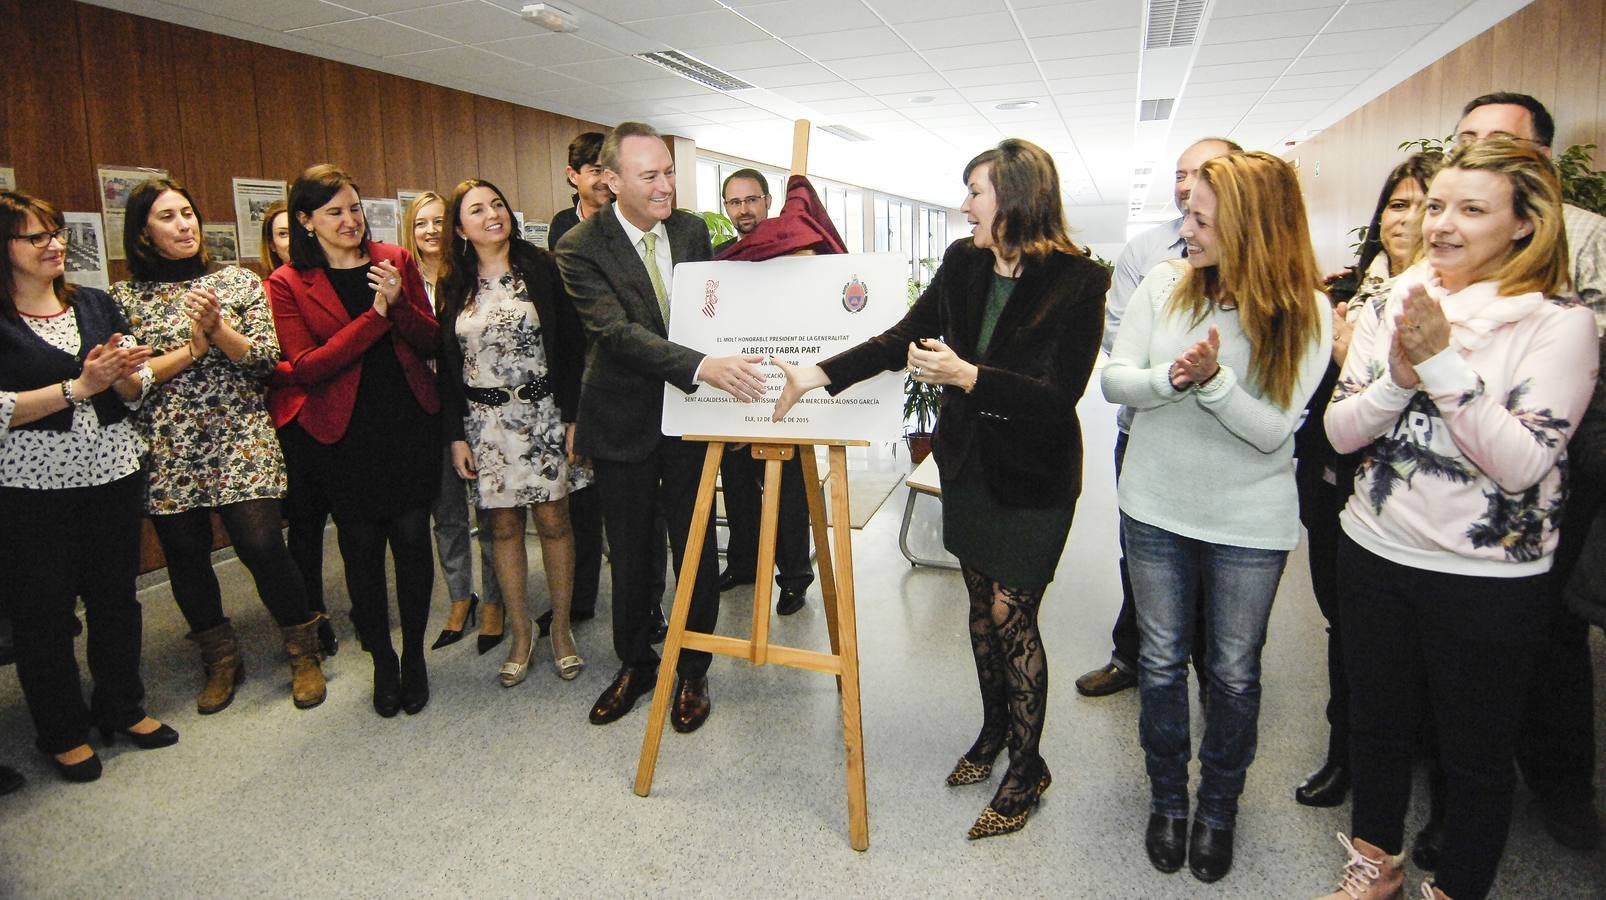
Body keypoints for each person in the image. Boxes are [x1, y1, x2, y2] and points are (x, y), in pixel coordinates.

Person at [773, 138, 1107, 839]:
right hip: (969, 467)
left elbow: (1058, 395)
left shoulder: (1079, 281)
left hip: (1034, 477)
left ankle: (1027, 768)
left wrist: (969, 377)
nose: (965, 206)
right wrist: (819, 374)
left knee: (1014, 613)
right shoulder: (963, 261)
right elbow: (903, 337)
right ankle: (993, 735)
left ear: (1017, 197)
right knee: (981, 611)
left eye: (976, 192)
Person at [1315, 140, 1596, 900]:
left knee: (1474, 753)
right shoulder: (1395, 298)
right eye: (1436, 205)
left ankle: (1458, 887)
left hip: (1486, 580)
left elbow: (1521, 464)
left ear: (1524, 226)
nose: (1440, 224)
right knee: (1377, 730)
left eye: (1471, 209)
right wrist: (1396, 384)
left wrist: (1438, 367)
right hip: (1373, 551)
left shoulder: (1558, 324)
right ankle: (1375, 868)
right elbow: (1340, 432)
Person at [1102, 151, 1329, 882]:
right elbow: (1114, 380)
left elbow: (1272, 430)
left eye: (1201, 218)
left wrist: (1214, 381)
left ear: (1252, 227)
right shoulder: (1166, 284)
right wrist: (1171, 378)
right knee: (1163, 664)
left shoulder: (1308, 311)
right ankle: (1168, 802)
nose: (1186, 229)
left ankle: (1219, 809)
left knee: (1231, 675)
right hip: (1154, 508)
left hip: (1248, 524)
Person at [555, 121, 762, 732]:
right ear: (611, 180)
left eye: (670, 171)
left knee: (694, 547)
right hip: (623, 420)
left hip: (692, 420)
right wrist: (703, 366)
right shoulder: (579, 247)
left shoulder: (693, 230)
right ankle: (638, 661)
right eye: (651, 176)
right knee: (634, 553)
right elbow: (616, 334)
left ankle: (693, 668)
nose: (667, 186)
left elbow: (715, 306)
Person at [1451, 91, 1605, 853]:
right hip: (1444, 471)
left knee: (1548, 632)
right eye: (1465, 136)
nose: (1472, 148)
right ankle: (1456, 785)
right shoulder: (1441, 239)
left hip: (1556, 461)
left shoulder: (1588, 238)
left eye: (1494, 139)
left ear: (1540, 157)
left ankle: (1560, 786)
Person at [112, 178, 329, 713]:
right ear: (142, 231)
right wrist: (194, 346)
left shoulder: (236, 282)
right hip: (169, 443)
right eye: (168, 217)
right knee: (186, 556)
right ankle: (220, 658)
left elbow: (263, 360)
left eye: (188, 212)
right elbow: (131, 381)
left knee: (260, 546)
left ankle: (303, 650)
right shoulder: (123, 298)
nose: (185, 224)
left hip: (239, 435)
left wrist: (218, 330)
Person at [0, 190, 175, 782]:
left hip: (112, 475)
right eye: (36, 237)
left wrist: (125, 377)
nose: (54, 245)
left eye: (56, 234)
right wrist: (82, 385)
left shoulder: (97, 304)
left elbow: (133, 391)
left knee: (115, 599)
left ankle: (122, 707)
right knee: (44, 614)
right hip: (31, 489)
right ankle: (62, 730)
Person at [1293, 152, 1443, 810]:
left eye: (1424, 204)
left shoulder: (1451, 304)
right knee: (1344, 629)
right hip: (1336, 487)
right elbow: (1318, 403)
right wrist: (1332, 349)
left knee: (1431, 656)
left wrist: (1355, 358)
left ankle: (1436, 787)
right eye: (1396, 203)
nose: (1405, 218)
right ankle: (1344, 754)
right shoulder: (1344, 291)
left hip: (1415, 501)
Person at [267, 165, 441, 718]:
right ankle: (382, 662)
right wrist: (376, 316)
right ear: (305, 220)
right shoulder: (289, 282)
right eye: (335, 212)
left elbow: (432, 339)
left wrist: (401, 305)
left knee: (414, 542)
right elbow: (308, 367)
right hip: (341, 437)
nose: (351, 220)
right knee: (361, 553)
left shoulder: (395, 259)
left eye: (355, 208)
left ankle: (413, 655)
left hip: (408, 422)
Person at [1074, 137, 1240, 699]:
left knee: (1220, 567)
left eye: (1202, 174)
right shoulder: (1146, 252)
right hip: (1144, 431)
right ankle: (1134, 656)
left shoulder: (1267, 268)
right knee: (1141, 553)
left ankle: (1213, 670)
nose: (1187, 184)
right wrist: (1182, 369)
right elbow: (1119, 342)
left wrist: (1188, 366)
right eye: (1180, 174)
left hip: (1229, 445)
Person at [438, 178, 589, 686]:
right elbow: (447, 360)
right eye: (476, 210)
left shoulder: (541, 269)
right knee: (501, 528)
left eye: (497, 204)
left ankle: (562, 629)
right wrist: (456, 434)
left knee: (553, 522)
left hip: (543, 413)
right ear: (460, 227)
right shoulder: (454, 282)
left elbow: (571, 344)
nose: (491, 214)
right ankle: (521, 633)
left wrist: (574, 416)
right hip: (485, 424)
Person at [400, 190, 504, 654]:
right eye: (421, 223)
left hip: (474, 404)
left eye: (439, 221)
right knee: (446, 512)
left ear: (456, 228)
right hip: (425, 411)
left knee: (489, 508)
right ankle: (461, 596)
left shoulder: (468, 274)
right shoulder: (400, 279)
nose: (430, 231)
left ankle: (495, 601)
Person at [715, 167, 813, 615]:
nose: (744, 210)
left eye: (751, 200)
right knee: (736, 485)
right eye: (734, 202)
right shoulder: (718, 258)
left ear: (768, 200)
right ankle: (744, 564)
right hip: (737, 387)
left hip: (782, 387)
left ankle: (794, 579)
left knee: (788, 489)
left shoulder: (792, 250)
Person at [262, 199, 339, 658]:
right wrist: (315, 364)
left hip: (343, 410)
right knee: (307, 528)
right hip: (297, 419)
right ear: (271, 245)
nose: (292, 241)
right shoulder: (268, 290)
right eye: (282, 234)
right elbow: (272, 365)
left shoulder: (331, 280)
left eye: (295, 231)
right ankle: (313, 618)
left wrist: (321, 359)